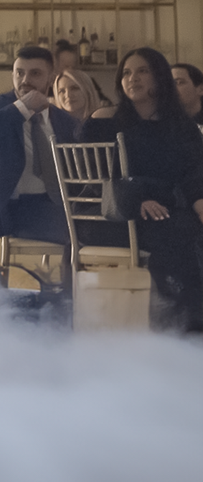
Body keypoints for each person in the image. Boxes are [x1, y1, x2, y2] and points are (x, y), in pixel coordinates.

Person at [80, 48, 203, 331]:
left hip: (163, 210)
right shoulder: (103, 121)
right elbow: (96, 179)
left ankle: (187, 316)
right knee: (178, 230)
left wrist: (199, 201)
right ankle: (181, 321)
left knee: (191, 226)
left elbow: (193, 173)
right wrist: (137, 199)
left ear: (160, 77)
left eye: (142, 71)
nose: (132, 78)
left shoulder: (182, 127)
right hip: (107, 215)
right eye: (126, 72)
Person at [0, 44, 76, 247]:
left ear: (50, 79)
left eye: (35, 74)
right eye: (19, 73)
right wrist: (22, 108)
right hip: (19, 208)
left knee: (102, 227)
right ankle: (67, 278)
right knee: (78, 235)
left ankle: (70, 279)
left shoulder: (63, 119)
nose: (25, 80)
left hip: (61, 204)